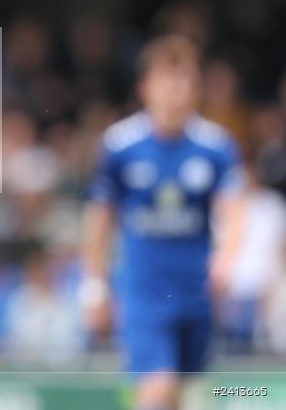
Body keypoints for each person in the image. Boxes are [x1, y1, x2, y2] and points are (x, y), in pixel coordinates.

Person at [81, 35, 244, 410]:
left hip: (196, 294)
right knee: (157, 391)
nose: (176, 90)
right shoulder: (121, 146)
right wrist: (95, 287)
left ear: (196, 88)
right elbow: (99, 220)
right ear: (145, 87)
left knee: (183, 397)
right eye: (167, 80)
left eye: (184, 80)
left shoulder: (215, 147)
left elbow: (233, 211)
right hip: (144, 296)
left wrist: (225, 259)